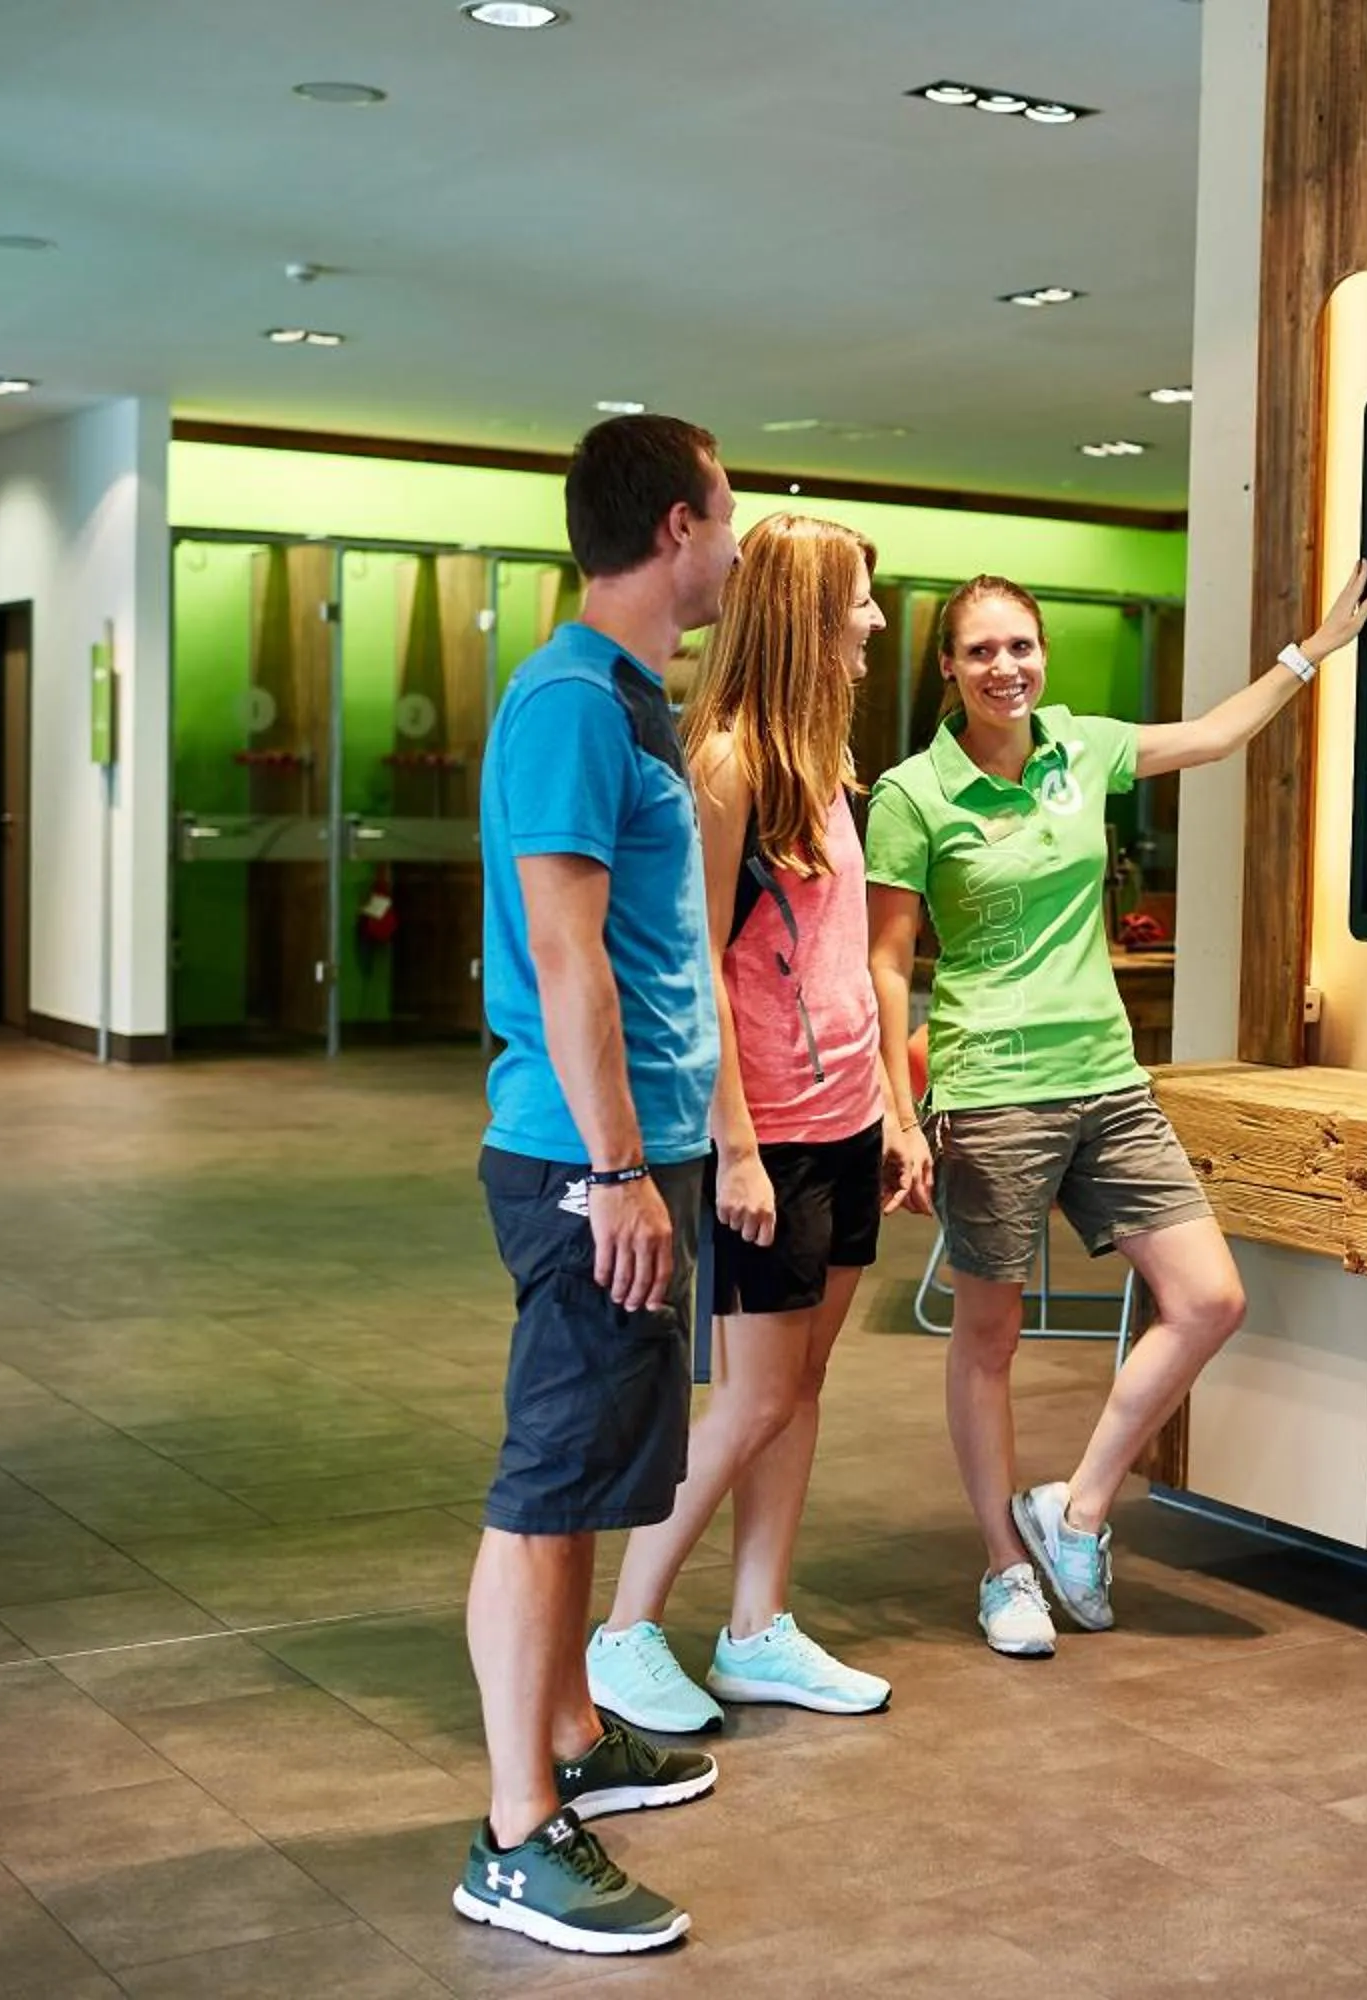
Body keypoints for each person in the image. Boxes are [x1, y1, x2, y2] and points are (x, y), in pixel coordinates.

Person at [866, 562, 1367, 1656]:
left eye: (1021, 646)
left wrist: (1311, 649)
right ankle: (1005, 1566)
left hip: (1107, 1075)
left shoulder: (1080, 745)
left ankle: (1077, 1508)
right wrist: (898, 1108)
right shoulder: (916, 793)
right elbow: (886, 957)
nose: (1007, 667)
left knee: (1208, 1296)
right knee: (988, 1337)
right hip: (991, 1085)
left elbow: (1212, 735)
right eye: (981, 651)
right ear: (948, 670)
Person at [453, 414, 737, 1958]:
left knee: (594, 1476)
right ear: (678, 527)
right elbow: (567, 963)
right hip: (582, 1161)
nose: (741, 540)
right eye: (730, 509)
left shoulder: (630, 702)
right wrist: (620, 1167)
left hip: (636, 1155)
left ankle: (569, 1731)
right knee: (547, 1491)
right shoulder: (569, 699)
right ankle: (513, 1834)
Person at [583, 514, 930, 1732]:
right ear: (807, 610)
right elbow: (694, 968)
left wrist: (888, 1104)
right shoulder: (725, 762)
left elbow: (833, 955)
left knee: (802, 1385)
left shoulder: (825, 760)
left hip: (840, 1119)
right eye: (860, 602)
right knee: (752, 1396)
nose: (877, 622)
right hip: (766, 1135)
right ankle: (622, 1630)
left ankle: (756, 1626)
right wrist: (734, 1146)